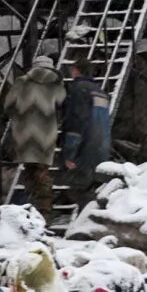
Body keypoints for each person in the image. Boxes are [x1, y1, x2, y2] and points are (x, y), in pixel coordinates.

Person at [4, 56, 65, 220]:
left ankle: (31, 206)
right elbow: (61, 103)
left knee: (29, 171)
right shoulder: (56, 83)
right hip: (46, 134)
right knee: (42, 172)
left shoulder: (21, 82)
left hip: (23, 134)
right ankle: (44, 211)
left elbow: (8, 105)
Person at [61, 62, 112, 204]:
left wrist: (70, 152)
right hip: (102, 148)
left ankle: (87, 222)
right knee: (97, 188)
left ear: (76, 71)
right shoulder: (101, 92)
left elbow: (77, 120)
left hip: (84, 149)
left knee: (78, 190)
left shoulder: (79, 90)